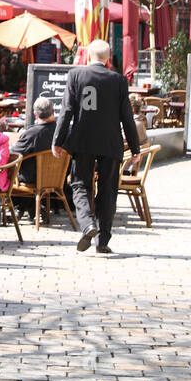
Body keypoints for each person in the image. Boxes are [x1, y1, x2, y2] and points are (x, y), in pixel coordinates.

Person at [54, 38, 140, 254]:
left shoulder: (76, 75)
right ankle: (103, 240)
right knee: (108, 191)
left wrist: (58, 140)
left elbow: (66, 111)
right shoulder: (119, 80)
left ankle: (87, 224)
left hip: (83, 140)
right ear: (108, 58)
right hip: (111, 143)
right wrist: (135, 149)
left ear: (88, 56)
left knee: (80, 185)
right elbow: (127, 118)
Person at [12, 96, 59, 219]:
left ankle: (21, 207)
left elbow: (13, 155)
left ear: (35, 114)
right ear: (53, 112)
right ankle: (32, 207)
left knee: (9, 170)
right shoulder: (62, 131)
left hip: (33, 179)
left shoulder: (32, 133)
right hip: (57, 179)